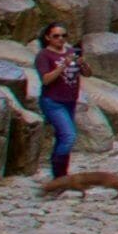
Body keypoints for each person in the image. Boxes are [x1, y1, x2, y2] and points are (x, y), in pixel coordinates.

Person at [31, 21, 85, 182]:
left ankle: (60, 173)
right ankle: (60, 175)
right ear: (48, 37)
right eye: (56, 36)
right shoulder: (44, 55)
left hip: (70, 100)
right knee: (68, 135)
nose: (60, 39)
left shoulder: (70, 51)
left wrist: (83, 63)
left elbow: (87, 73)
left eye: (63, 35)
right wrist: (63, 66)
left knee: (63, 137)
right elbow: (46, 79)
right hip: (53, 101)